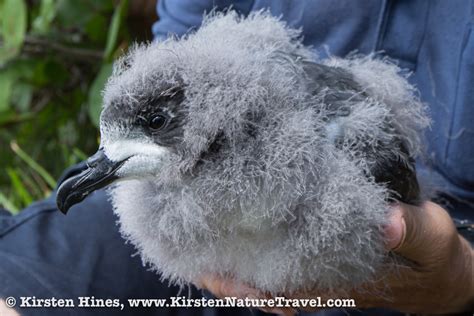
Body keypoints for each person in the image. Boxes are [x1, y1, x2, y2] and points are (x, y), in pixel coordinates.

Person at [1, 0, 473, 315]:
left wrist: (459, 279)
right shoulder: (181, 135)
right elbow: (176, 69)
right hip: (184, 187)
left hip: (412, 268)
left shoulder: (343, 139)